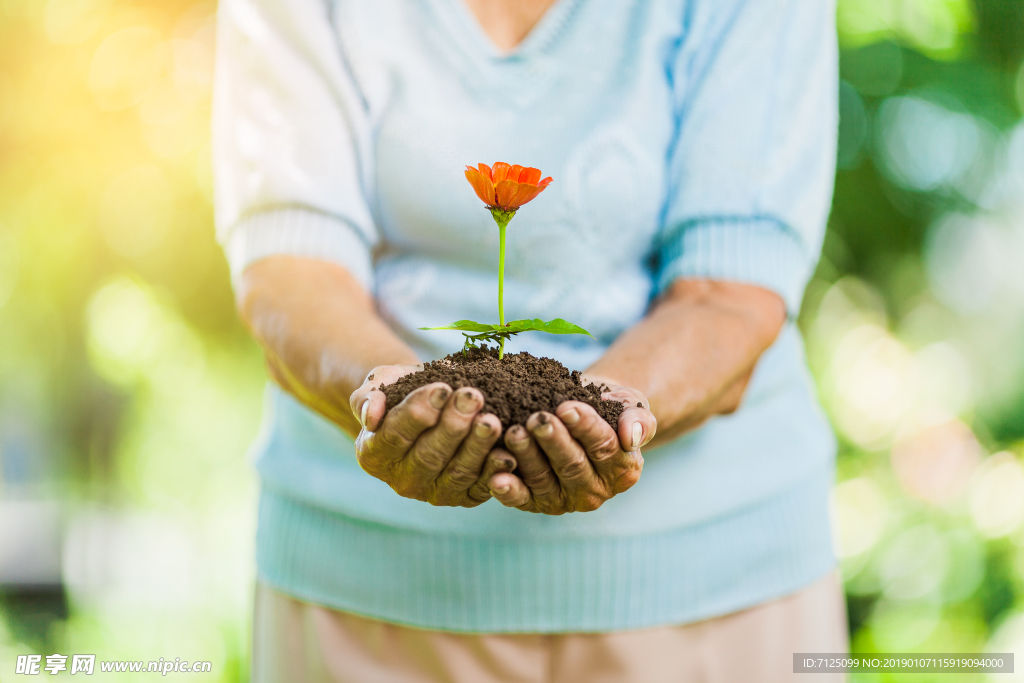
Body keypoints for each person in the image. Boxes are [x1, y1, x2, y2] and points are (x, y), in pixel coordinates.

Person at [213, 0, 848, 680]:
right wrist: (397, 398)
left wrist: (606, 414)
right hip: (364, 592)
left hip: (714, 589)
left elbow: (729, 289)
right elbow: (290, 265)